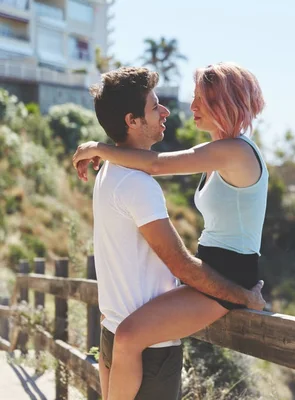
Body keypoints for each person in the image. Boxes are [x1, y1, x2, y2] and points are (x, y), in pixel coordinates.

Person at [73, 62, 269, 400]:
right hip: (211, 268)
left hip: (229, 275)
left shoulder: (235, 151)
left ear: (223, 104)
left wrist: (99, 148)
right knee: (126, 332)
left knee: (130, 334)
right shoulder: (217, 152)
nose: (190, 107)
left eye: (199, 100)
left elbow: (157, 165)